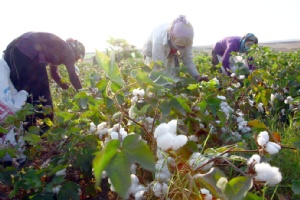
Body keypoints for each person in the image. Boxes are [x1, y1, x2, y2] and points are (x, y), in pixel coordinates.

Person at [3, 32, 85, 129]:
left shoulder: (57, 48)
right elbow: (73, 75)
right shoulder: (68, 51)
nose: (75, 60)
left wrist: (64, 86)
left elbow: (54, 74)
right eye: (78, 58)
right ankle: (43, 130)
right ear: (76, 50)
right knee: (43, 95)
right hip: (26, 51)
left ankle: (26, 130)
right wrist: (83, 94)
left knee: (23, 92)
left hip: (13, 51)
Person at [142, 15, 208, 82]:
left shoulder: (187, 39)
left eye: (183, 47)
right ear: (171, 37)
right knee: (153, 78)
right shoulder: (159, 39)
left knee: (171, 78)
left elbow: (188, 60)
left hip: (170, 55)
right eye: (179, 46)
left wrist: (197, 76)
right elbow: (157, 66)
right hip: (151, 56)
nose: (182, 48)